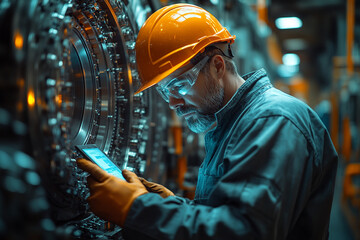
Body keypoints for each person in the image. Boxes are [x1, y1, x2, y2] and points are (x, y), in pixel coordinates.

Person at [76, 3, 338, 239]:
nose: (173, 103)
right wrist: (168, 203)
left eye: (179, 85)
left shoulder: (274, 122)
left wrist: (137, 209)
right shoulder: (233, 124)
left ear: (217, 66)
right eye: (165, 92)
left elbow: (245, 231)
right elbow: (228, 213)